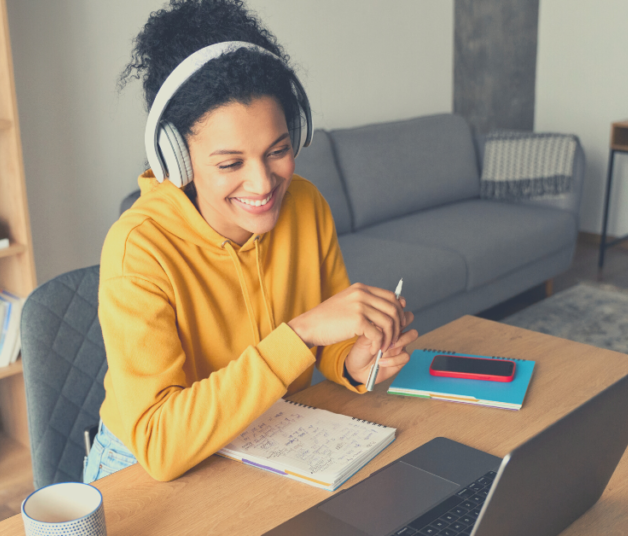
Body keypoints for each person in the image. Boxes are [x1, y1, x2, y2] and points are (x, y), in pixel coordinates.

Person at [86, 0, 418, 484]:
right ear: (176, 160)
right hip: (143, 467)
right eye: (229, 164)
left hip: (267, 434)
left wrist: (352, 358)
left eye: (278, 150)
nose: (263, 183)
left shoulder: (305, 204)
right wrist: (300, 334)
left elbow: (328, 338)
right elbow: (159, 442)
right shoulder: (137, 249)